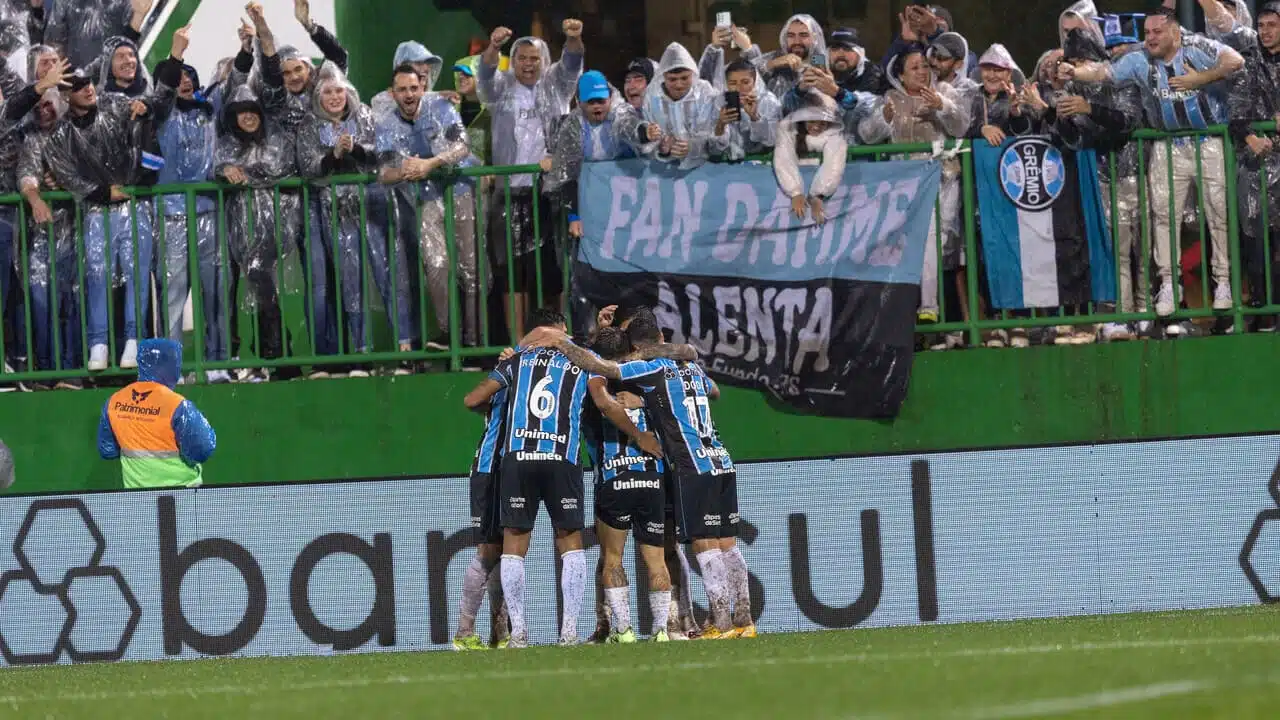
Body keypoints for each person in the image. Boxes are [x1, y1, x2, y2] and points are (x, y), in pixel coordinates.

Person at [523, 314, 755, 640]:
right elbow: (712, 389)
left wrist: (562, 344)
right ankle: (742, 619)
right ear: (660, 335)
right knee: (723, 545)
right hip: (718, 461)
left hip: (690, 464)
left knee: (703, 545)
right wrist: (649, 397)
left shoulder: (649, 370)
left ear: (634, 346)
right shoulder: (690, 368)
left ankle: (719, 622)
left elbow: (606, 371)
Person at [462, 308, 655, 648]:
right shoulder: (583, 360)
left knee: (513, 547)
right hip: (560, 458)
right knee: (570, 544)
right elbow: (605, 404)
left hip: (518, 458)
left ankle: (519, 634)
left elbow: (474, 399)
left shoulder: (516, 361)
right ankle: (569, 633)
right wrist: (639, 435)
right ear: (561, 330)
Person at [1074, 10, 1243, 317]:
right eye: (1147, 32)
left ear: (1175, 34)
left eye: (1156, 32)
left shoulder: (1197, 47)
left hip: (1209, 142)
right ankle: (1168, 281)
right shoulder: (1140, 60)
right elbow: (1104, 73)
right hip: (1169, 144)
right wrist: (1072, 73)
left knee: (1218, 213)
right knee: (1163, 216)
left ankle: (1224, 282)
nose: (1149, 37)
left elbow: (1235, 61)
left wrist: (1200, 78)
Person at [43, 57, 178, 373]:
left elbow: (159, 103)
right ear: (65, 96)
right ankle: (99, 343)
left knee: (135, 274)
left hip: (132, 205)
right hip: (95, 210)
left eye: (88, 81)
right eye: (77, 86)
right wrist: (104, 193)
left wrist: (174, 56)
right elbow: (65, 173)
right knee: (98, 275)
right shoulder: (60, 135)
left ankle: (134, 340)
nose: (87, 88)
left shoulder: (116, 105)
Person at [478, 21, 583, 339]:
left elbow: (573, 62)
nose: (528, 64)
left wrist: (573, 37)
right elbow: (484, 75)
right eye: (522, 57)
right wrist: (493, 48)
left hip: (549, 192)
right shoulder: (501, 90)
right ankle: (518, 344)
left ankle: (557, 338)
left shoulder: (557, 85)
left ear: (544, 60)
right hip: (510, 192)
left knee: (552, 273)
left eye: (534, 58)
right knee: (513, 275)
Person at [859, 45, 970, 337]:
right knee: (922, 245)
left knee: (944, 250)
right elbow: (867, 136)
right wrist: (883, 116)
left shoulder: (945, 91)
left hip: (944, 180)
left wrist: (941, 106)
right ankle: (928, 311)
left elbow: (961, 127)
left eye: (925, 66)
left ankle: (945, 324)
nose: (922, 72)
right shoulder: (891, 99)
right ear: (900, 74)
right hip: (906, 186)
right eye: (914, 68)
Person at [582, 327, 672, 643]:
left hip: (614, 477)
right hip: (651, 477)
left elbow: (602, 405)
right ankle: (661, 630)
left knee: (612, 558)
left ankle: (624, 630)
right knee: (657, 560)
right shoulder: (646, 384)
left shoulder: (592, 388)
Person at [298, 64, 386, 374]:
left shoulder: (363, 118)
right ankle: (358, 353)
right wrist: (333, 155)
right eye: (327, 92)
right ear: (318, 97)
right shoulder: (309, 127)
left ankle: (397, 352)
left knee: (385, 277)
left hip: (372, 208)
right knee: (349, 284)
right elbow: (308, 167)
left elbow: (384, 153)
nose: (335, 97)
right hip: (333, 213)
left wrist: (356, 149)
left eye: (339, 90)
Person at [542, 70, 644, 336]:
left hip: (622, 214)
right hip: (587, 215)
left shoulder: (621, 119)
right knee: (582, 279)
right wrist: (573, 215)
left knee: (626, 276)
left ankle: (628, 335)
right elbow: (565, 176)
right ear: (579, 102)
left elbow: (640, 154)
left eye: (602, 100)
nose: (598, 106)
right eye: (591, 102)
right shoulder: (573, 127)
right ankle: (586, 337)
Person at [152, 40, 227, 383]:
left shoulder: (209, 112)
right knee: (173, 295)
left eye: (188, 76)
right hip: (172, 215)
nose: (184, 80)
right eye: (177, 77)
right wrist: (176, 55)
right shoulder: (161, 114)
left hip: (210, 212)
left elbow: (235, 82)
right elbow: (163, 91)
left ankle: (217, 364)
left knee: (216, 292)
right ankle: (170, 371)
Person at [14, 60, 80, 387]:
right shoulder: (31, 139)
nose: (44, 110)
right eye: (38, 105)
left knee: (70, 304)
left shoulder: (74, 134)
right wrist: (35, 196)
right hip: (40, 237)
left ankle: (70, 371)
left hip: (77, 232)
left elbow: (91, 174)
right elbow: (26, 172)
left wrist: (66, 182)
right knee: (41, 306)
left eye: (49, 104)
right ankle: (47, 370)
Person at [98, 338, 216, 488]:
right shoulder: (177, 405)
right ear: (172, 365)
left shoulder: (114, 402)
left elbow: (107, 450)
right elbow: (202, 449)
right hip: (182, 496)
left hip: (137, 499)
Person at [1227, 1, 1280, 327]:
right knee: (1257, 241)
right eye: (1261, 26)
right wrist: (1253, 136)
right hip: (1256, 167)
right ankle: (1263, 311)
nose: (1266, 32)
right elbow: (1235, 114)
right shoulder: (1250, 64)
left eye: (1272, 25)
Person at [641, 42, 719, 169]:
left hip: (706, 168)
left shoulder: (704, 91)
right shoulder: (652, 96)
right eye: (672, 79)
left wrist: (693, 147)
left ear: (692, 74)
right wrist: (661, 148)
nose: (679, 85)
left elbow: (714, 132)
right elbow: (649, 135)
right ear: (663, 77)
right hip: (666, 169)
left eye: (684, 78)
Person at [774, 93, 846, 225]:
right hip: (785, 198)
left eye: (822, 123)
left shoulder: (835, 138)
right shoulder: (787, 130)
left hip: (820, 202)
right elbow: (782, 157)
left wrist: (818, 195)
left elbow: (835, 165)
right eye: (812, 121)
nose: (816, 127)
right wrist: (795, 192)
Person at [709, 59, 782, 161]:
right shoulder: (720, 101)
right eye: (733, 83)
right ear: (726, 84)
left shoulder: (768, 101)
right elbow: (713, 150)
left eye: (745, 82)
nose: (739, 88)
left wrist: (754, 117)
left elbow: (772, 142)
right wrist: (721, 124)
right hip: (728, 163)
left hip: (762, 161)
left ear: (755, 82)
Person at [744, 13, 827, 98]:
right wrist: (770, 65)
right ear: (784, 38)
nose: (797, 41)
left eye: (803, 35)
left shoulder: (820, 60)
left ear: (814, 38)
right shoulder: (776, 58)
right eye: (791, 36)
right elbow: (743, 74)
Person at [46, 0, 133, 69]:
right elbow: (54, 41)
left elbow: (134, 38)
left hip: (114, 76)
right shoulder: (66, 2)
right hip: (77, 79)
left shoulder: (124, 3)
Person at [371, 41, 442, 117]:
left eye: (427, 63)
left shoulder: (436, 105)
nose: (425, 68)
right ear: (402, 66)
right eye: (418, 63)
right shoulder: (383, 102)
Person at [826, 27, 885, 95]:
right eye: (835, 48)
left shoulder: (872, 74)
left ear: (859, 53)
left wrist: (835, 91)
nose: (840, 54)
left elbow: (864, 103)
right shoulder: (821, 68)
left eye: (847, 48)